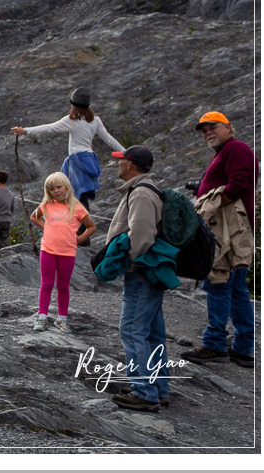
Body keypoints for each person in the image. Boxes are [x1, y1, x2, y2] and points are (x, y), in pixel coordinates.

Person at [182, 111, 258, 367]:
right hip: (234, 230)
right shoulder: (226, 152)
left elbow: (242, 183)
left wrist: (206, 205)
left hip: (229, 231)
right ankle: (243, 348)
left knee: (217, 284)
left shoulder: (236, 149)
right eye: (204, 130)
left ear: (228, 127)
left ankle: (215, 344)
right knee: (236, 290)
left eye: (212, 127)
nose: (207, 133)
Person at [104, 145, 169, 412]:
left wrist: (127, 264)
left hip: (141, 273)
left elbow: (141, 238)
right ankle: (158, 388)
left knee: (131, 330)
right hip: (150, 273)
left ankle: (144, 391)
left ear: (130, 165)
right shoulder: (145, 190)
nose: (118, 165)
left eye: (121, 161)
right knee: (153, 333)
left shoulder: (141, 193)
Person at [11, 87, 124, 211]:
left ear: (72, 104)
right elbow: (108, 139)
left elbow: (49, 128)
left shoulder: (72, 120)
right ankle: (80, 226)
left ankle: (80, 227)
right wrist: (126, 152)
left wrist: (25, 131)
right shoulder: (95, 120)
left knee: (76, 197)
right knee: (80, 196)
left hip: (77, 161)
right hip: (89, 160)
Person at [27, 172, 96, 332]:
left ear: (67, 186)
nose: (56, 191)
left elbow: (92, 227)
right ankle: (42, 317)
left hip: (68, 253)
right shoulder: (46, 205)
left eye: (59, 187)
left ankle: (62, 319)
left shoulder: (77, 207)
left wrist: (79, 239)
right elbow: (34, 217)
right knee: (46, 284)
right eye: (51, 189)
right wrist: (47, 227)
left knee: (63, 286)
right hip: (48, 251)